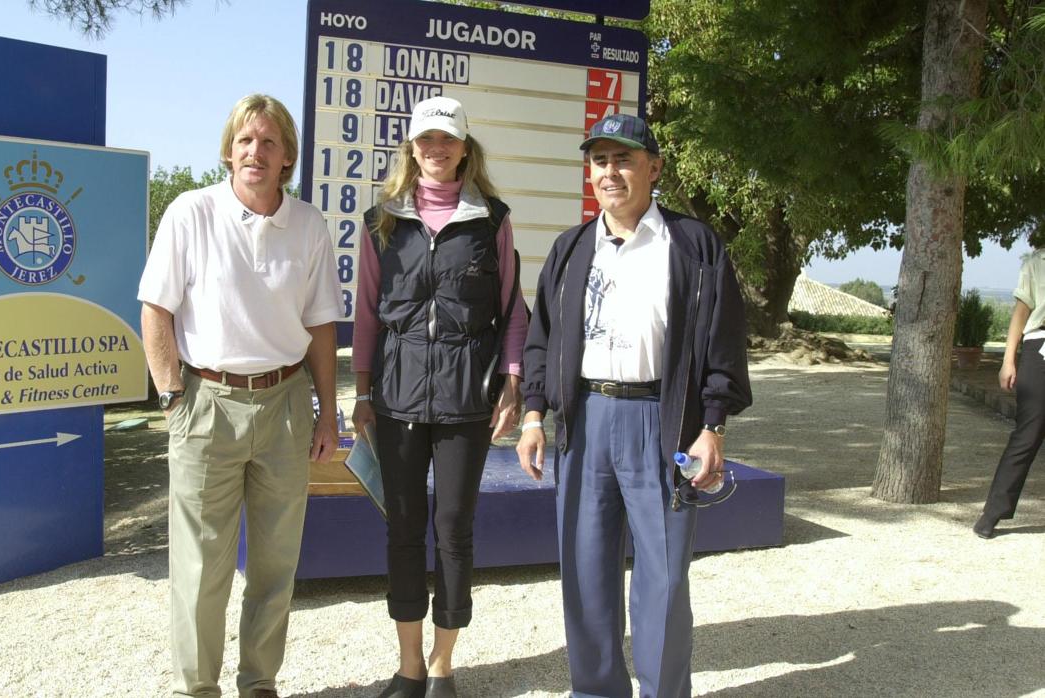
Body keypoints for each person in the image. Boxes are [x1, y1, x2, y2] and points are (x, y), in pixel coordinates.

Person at [515, 113, 752, 698]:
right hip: (586, 421)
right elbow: (540, 338)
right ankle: (596, 690)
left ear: (654, 168)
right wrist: (533, 414)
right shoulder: (570, 249)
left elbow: (723, 339)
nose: (610, 172)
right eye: (599, 160)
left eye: (623, 159)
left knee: (665, 577)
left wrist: (713, 425)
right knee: (586, 569)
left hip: (662, 422)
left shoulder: (694, 245)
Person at [138, 94, 342, 698]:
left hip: (284, 404)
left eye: (270, 142)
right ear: (228, 151)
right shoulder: (190, 212)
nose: (256, 151)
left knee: (276, 563)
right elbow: (156, 309)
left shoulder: (309, 225)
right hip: (207, 400)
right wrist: (173, 393)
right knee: (201, 568)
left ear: (288, 158)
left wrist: (327, 412)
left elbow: (322, 326)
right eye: (246, 140)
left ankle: (259, 683)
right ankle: (195, 688)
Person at [351, 95, 528, 698]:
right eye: (426, 140)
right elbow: (367, 316)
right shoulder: (383, 222)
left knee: (453, 529)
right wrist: (362, 391)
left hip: (467, 401)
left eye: (447, 140)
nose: (436, 149)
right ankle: (408, 666)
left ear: (463, 148)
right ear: (411, 147)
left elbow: (512, 308)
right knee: (403, 528)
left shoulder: (493, 219)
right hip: (397, 401)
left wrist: (512, 380)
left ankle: (444, 664)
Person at [974, 248, 1045, 539]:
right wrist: (1008, 361)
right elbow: (1021, 312)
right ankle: (992, 513)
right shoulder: (1037, 262)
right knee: (1028, 433)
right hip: (1039, 348)